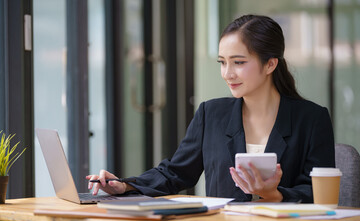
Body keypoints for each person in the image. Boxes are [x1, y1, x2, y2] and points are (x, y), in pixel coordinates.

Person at [87, 14, 335, 203]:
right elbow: (176, 172)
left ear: (270, 64)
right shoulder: (211, 114)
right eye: (222, 62)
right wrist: (126, 185)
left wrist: (275, 194)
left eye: (238, 62)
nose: (228, 73)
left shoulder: (312, 119)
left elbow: (320, 194)